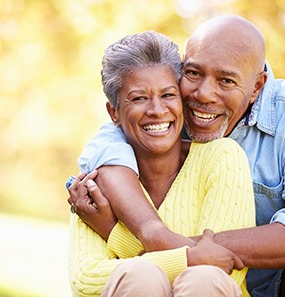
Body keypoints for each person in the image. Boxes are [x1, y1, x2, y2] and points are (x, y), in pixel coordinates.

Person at [70, 14, 285, 297]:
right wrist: (163, 241)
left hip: (271, 285)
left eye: (226, 81)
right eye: (193, 73)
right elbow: (108, 143)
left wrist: (125, 234)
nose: (204, 94)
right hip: (163, 284)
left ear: (257, 87)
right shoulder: (165, 109)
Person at [67, 30, 256, 297]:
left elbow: (223, 269)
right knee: (139, 277)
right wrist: (189, 259)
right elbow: (86, 280)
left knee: (202, 280)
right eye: (139, 98)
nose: (157, 110)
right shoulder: (96, 181)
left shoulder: (222, 157)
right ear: (114, 113)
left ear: (181, 99)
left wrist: (113, 232)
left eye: (168, 95)